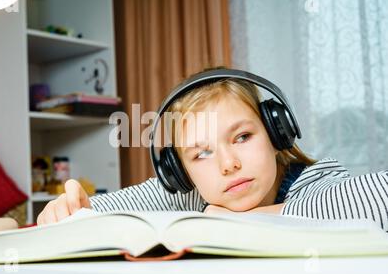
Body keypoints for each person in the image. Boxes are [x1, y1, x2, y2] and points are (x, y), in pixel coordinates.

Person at [37, 68, 388, 232]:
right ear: (178, 171)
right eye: (200, 153)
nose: (228, 164)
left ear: (275, 133)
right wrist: (69, 208)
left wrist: (237, 221)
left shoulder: (317, 183)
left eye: (241, 137)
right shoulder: (187, 194)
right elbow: (97, 211)